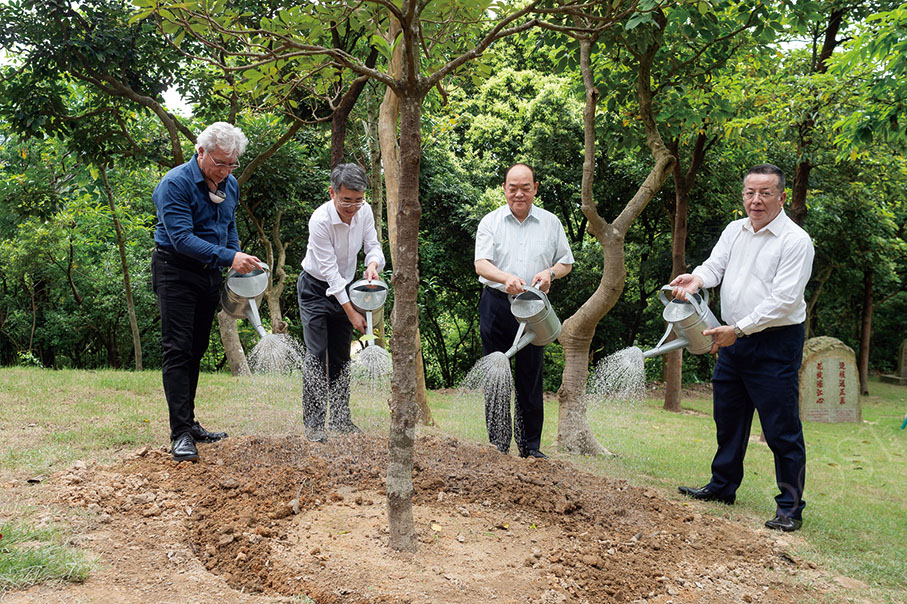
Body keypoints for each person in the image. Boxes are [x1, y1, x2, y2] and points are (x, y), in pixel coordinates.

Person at [671, 163, 814, 532]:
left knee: (781, 429)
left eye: (765, 193)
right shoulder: (735, 230)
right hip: (730, 338)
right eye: (750, 192)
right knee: (728, 419)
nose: (756, 200)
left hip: (774, 343)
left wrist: (740, 329)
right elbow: (715, 266)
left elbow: (783, 301)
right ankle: (722, 487)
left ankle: (790, 507)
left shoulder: (795, 241)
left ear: (782, 196)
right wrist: (697, 278)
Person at [152, 122, 262, 463]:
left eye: (233, 164)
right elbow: (182, 239)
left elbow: (228, 225)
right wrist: (230, 256)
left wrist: (234, 260)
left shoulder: (229, 185)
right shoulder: (174, 185)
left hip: (210, 274)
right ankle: (180, 433)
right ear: (201, 152)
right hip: (176, 272)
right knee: (178, 350)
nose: (227, 171)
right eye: (220, 163)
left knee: (197, 348)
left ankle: (191, 424)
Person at [474, 163, 574, 459]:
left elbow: (565, 262)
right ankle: (498, 444)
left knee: (531, 376)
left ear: (535, 188)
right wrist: (506, 278)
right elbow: (481, 264)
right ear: (504, 189)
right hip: (496, 304)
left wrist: (550, 274)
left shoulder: (551, 222)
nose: (519, 194)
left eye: (525, 188)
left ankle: (531, 447)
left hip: (534, 309)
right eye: (513, 188)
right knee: (496, 373)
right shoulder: (490, 222)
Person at [298, 163, 385, 443]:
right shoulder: (319, 220)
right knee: (316, 354)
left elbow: (373, 246)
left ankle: (340, 419)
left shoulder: (365, 212)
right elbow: (330, 274)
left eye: (358, 200)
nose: (353, 207)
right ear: (332, 192)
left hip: (346, 286)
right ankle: (313, 424)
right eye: (346, 200)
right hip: (315, 288)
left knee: (340, 357)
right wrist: (351, 313)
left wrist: (372, 265)